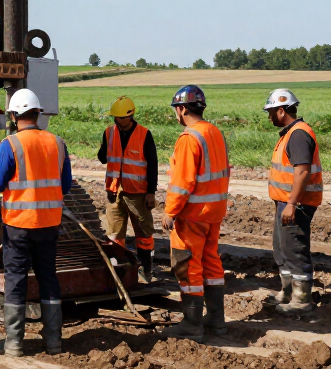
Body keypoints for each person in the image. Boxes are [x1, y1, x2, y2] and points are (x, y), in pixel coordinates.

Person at [0, 88, 73, 357]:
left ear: (13, 115)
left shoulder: (10, 145)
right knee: (48, 277)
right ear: (38, 113)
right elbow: (65, 185)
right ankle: (54, 342)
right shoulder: (57, 143)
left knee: (16, 279)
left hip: (19, 225)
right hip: (49, 224)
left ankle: (14, 343)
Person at [161, 85, 231, 341]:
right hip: (214, 210)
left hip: (192, 214)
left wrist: (170, 211)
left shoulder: (189, 138)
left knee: (187, 265)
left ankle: (192, 324)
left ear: (181, 109)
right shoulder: (214, 132)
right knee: (211, 262)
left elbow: (183, 182)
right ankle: (216, 320)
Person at [263, 88, 322, 317]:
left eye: (270, 112)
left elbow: (302, 172)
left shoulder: (298, 134)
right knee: (282, 248)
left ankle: (301, 300)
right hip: (286, 202)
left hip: (296, 204)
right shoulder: (291, 133)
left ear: (281, 111)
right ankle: (287, 292)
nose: (269, 117)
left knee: (295, 249)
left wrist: (291, 203)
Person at [97, 95, 159, 282]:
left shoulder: (144, 134)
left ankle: (146, 272)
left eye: (120, 117)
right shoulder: (109, 133)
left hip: (138, 194)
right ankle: (118, 275)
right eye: (114, 117)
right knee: (114, 235)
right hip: (114, 192)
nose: (116, 120)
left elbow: (152, 164)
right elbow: (102, 157)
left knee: (144, 235)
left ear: (130, 116)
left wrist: (151, 192)